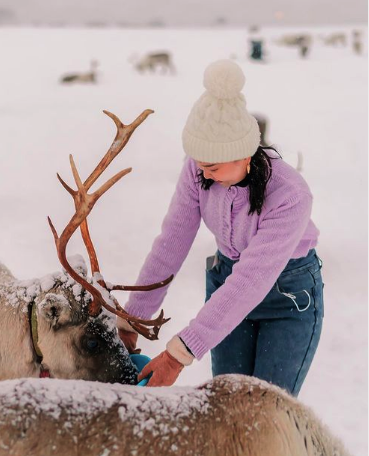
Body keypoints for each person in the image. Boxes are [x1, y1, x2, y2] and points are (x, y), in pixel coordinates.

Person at [118, 60, 323, 397]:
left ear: (243, 155)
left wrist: (179, 354)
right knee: (227, 406)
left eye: (211, 166)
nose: (203, 173)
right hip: (228, 284)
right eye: (198, 164)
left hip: (288, 298)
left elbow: (252, 279)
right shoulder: (198, 169)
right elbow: (171, 243)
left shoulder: (290, 194)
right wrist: (133, 319)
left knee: (264, 410)